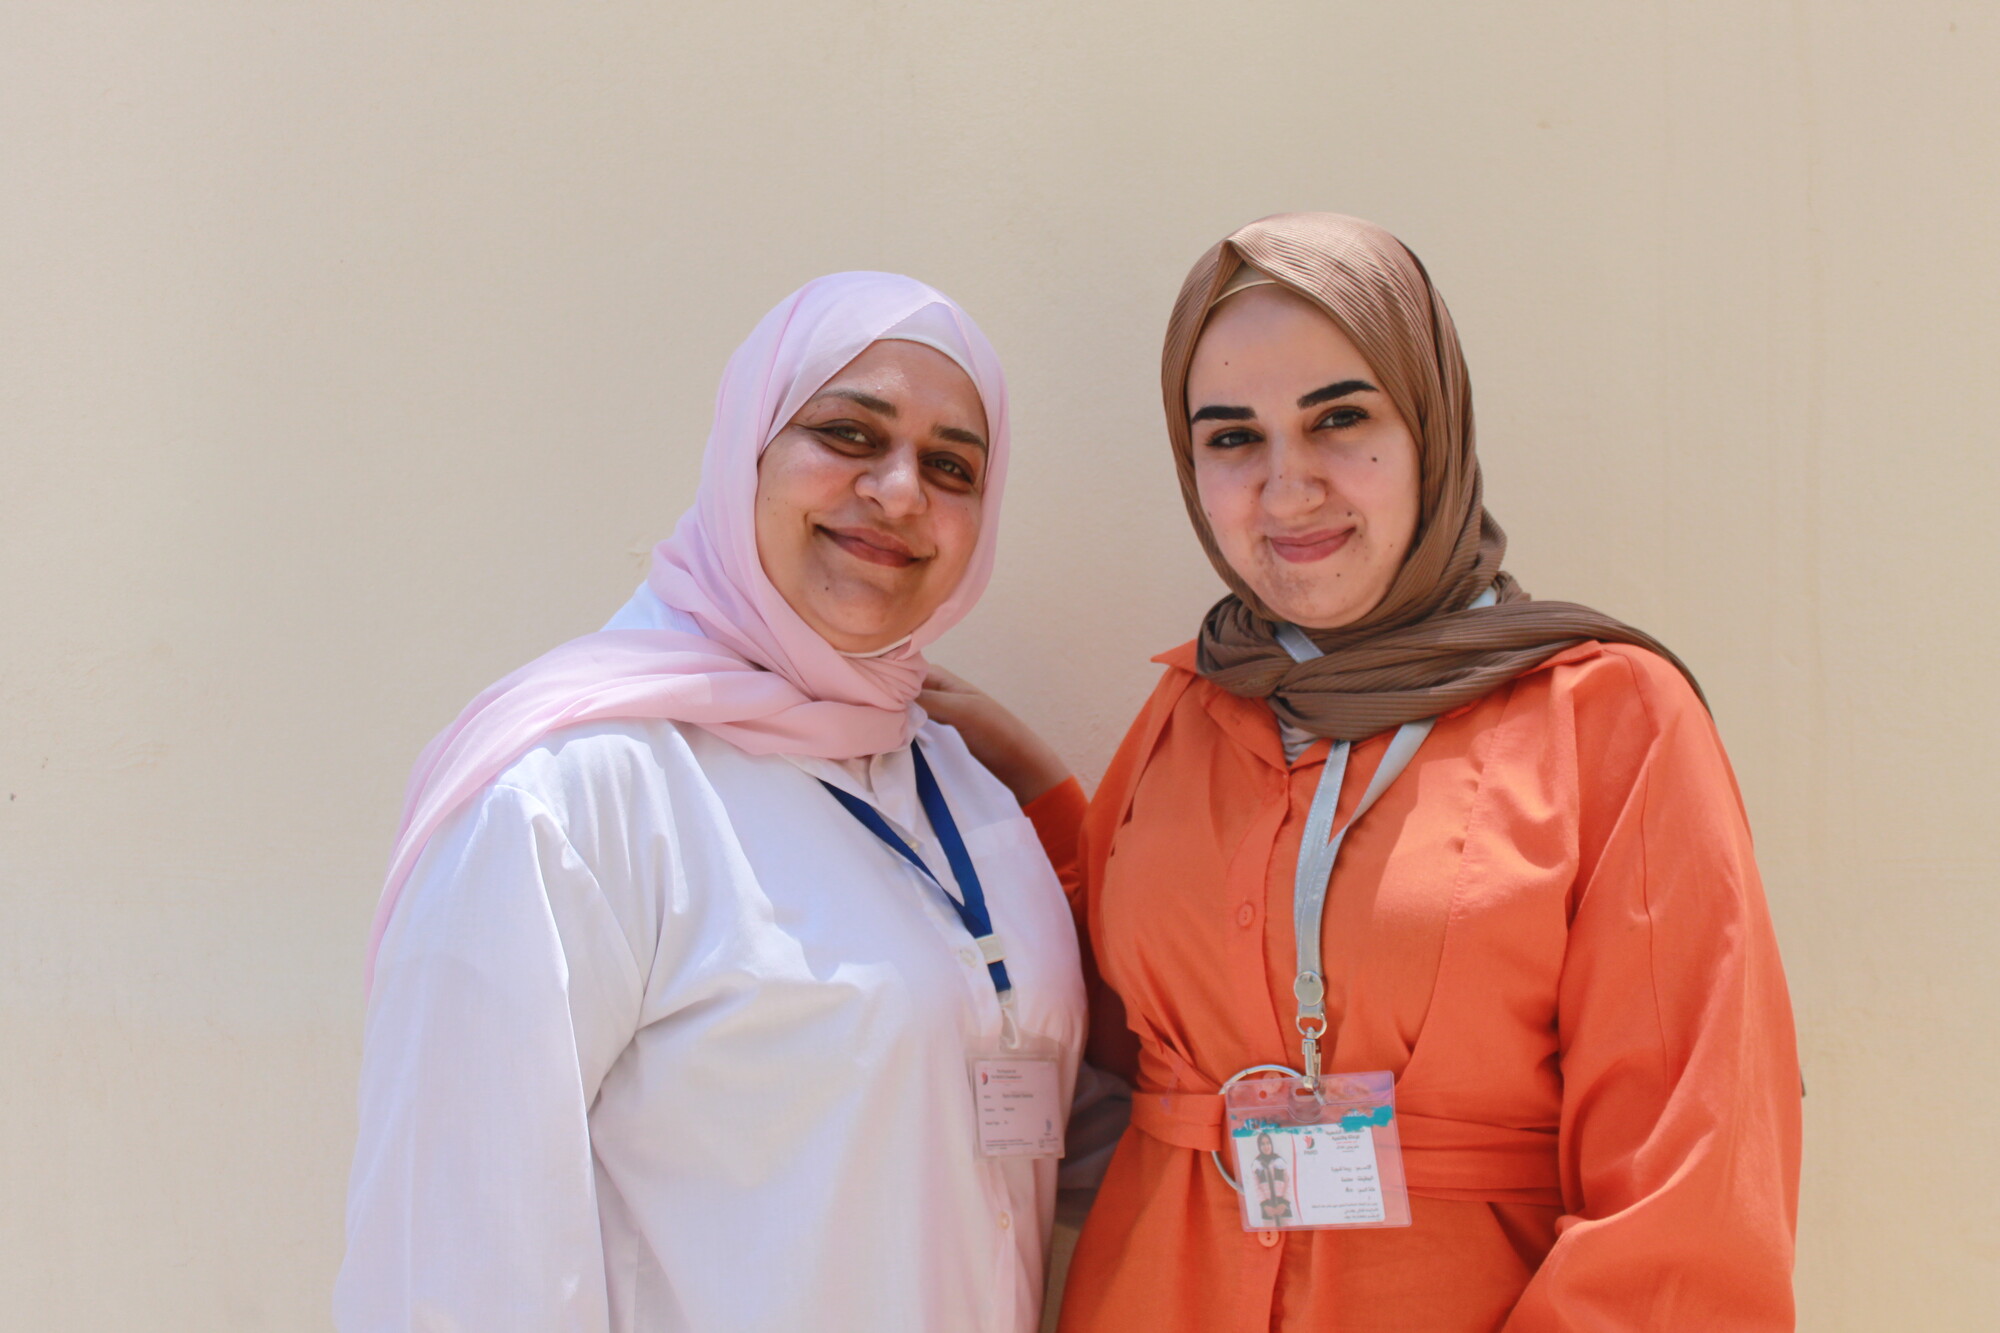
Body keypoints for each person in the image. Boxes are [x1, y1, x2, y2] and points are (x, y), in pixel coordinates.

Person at [928, 214, 1802, 1330]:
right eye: (1232, 437)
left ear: (1429, 424)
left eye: (1339, 418)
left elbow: (1688, 1189)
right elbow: (1103, 1013)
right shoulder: (1188, 709)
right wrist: (1024, 781)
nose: (1288, 488)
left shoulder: (1607, 720)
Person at [336, 271, 1086, 1333]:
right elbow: (457, 1259)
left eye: (951, 466)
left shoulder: (962, 788)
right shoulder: (574, 797)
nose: (899, 490)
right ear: (747, 454)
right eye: (848, 433)